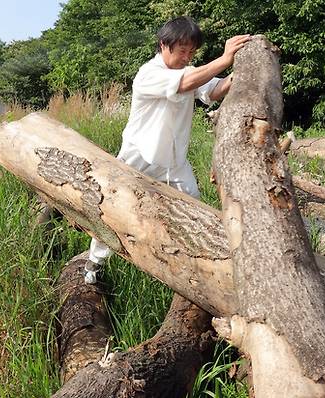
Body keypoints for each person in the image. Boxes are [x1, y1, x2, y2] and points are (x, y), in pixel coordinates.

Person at [84, 16, 250, 283]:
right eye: (182, 51)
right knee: (114, 210)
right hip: (138, 157)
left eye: (191, 52)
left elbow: (214, 90)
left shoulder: (190, 71)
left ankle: (193, 269)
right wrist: (224, 58)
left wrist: (241, 69)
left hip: (174, 161)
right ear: (164, 45)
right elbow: (185, 83)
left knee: (193, 206)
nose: (186, 57)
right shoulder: (149, 74)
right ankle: (95, 263)